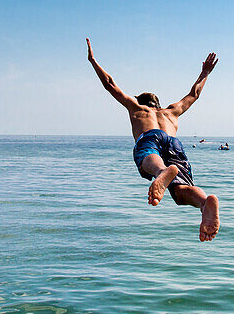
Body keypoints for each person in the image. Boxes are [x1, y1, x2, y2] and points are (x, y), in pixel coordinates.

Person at [87, 38, 220, 241]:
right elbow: (194, 94)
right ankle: (204, 203)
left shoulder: (137, 108)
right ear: (158, 104)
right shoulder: (171, 112)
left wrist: (93, 61)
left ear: (141, 102)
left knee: (149, 155)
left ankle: (161, 171)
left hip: (149, 136)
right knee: (180, 191)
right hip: (173, 142)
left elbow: (110, 84)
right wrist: (205, 73)